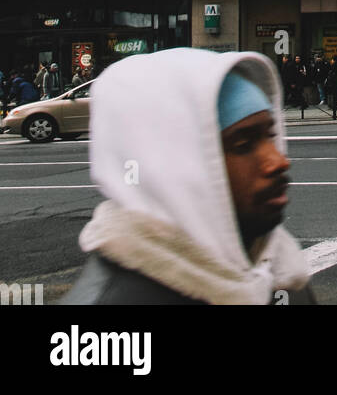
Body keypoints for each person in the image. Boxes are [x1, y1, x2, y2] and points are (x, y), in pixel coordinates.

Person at [60, 48, 309, 304]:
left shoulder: (282, 274)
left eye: (270, 135)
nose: (279, 161)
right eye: (243, 144)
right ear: (174, 165)